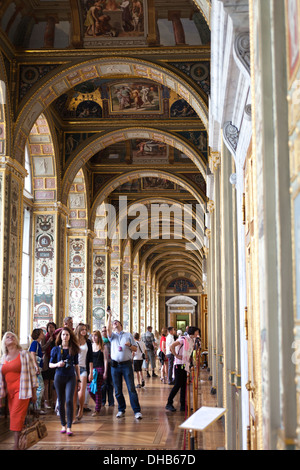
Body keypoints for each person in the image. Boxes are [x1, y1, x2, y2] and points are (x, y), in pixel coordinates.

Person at [0, 332, 38, 450]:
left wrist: (34, 392)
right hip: (9, 393)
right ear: (4, 343)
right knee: (16, 417)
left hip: (23, 391)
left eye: (13, 337)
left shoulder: (24, 354)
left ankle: (16, 445)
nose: (10, 338)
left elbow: (32, 374)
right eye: (8, 337)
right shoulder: (3, 358)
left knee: (16, 416)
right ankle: (22, 442)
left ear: (16, 341)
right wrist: (1, 392)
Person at [107, 307, 142, 419]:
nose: (114, 323)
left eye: (116, 322)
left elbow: (135, 349)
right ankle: (121, 409)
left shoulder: (128, 335)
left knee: (131, 388)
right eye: (113, 323)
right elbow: (107, 329)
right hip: (115, 365)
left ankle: (137, 411)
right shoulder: (112, 336)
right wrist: (109, 316)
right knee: (117, 389)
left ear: (121, 325)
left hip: (126, 364)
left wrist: (129, 346)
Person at [49, 327, 81, 436]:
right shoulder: (56, 349)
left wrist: (79, 380)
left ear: (70, 336)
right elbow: (50, 364)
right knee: (61, 401)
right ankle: (63, 424)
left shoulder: (74, 349)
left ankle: (69, 427)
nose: (65, 336)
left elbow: (77, 365)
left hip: (70, 377)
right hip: (59, 377)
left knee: (69, 400)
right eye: (63, 335)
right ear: (60, 336)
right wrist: (58, 364)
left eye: (67, 335)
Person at [165, 326, 199, 413]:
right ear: (193, 332)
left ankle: (183, 405)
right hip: (179, 364)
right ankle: (169, 403)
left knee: (184, 385)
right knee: (177, 385)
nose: (198, 333)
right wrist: (176, 355)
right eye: (196, 332)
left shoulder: (192, 340)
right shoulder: (183, 339)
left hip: (185, 364)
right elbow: (171, 346)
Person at [73, 323, 93, 421]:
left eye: (85, 329)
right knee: (73, 391)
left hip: (84, 368)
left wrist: (91, 372)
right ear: (78, 330)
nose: (84, 331)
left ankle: (81, 408)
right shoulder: (73, 341)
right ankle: (73, 412)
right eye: (82, 329)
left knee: (81, 392)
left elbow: (90, 358)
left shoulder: (88, 342)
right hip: (73, 368)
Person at [88, 330, 108, 416]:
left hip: (100, 368)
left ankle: (97, 409)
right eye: (92, 336)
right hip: (92, 369)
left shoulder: (103, 347)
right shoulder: (90, 346)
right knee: (90, 389)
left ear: (99, 337)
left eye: (95, 336)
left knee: (97, 389)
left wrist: (105, 372)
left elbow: (105, 360)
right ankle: (98, 402)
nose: (94, 338)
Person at [29, 328, 45, 414]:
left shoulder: (38, 343)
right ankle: (35, 407)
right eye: (42, 333)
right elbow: (32, 354)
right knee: (40, 387)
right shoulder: (35, 343)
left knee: (38, 387)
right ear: (38, 334)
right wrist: (36, 367)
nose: (43, 334)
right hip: (35, 369)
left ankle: (35, 406)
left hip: (37, 368)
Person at [42, 321, 57, 409]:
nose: (51, 329)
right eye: (49, 327)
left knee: (53, 381)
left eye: (52, 327)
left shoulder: (57, 337)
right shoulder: (44, 337)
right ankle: (46, 401)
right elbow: (42, 348)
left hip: (54, 360)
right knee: (46, 381)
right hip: (46, 360)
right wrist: (48, 341)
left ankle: (54, 400)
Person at [101, 325, 115, 406]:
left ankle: (111, 401)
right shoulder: (100, 342)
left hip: (111, 363)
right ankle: (103, 401)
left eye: (106, 331)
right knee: (103, 384)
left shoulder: (111, 341)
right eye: (103, 331)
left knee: (110, 383)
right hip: (102, 364)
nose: (104, 332)